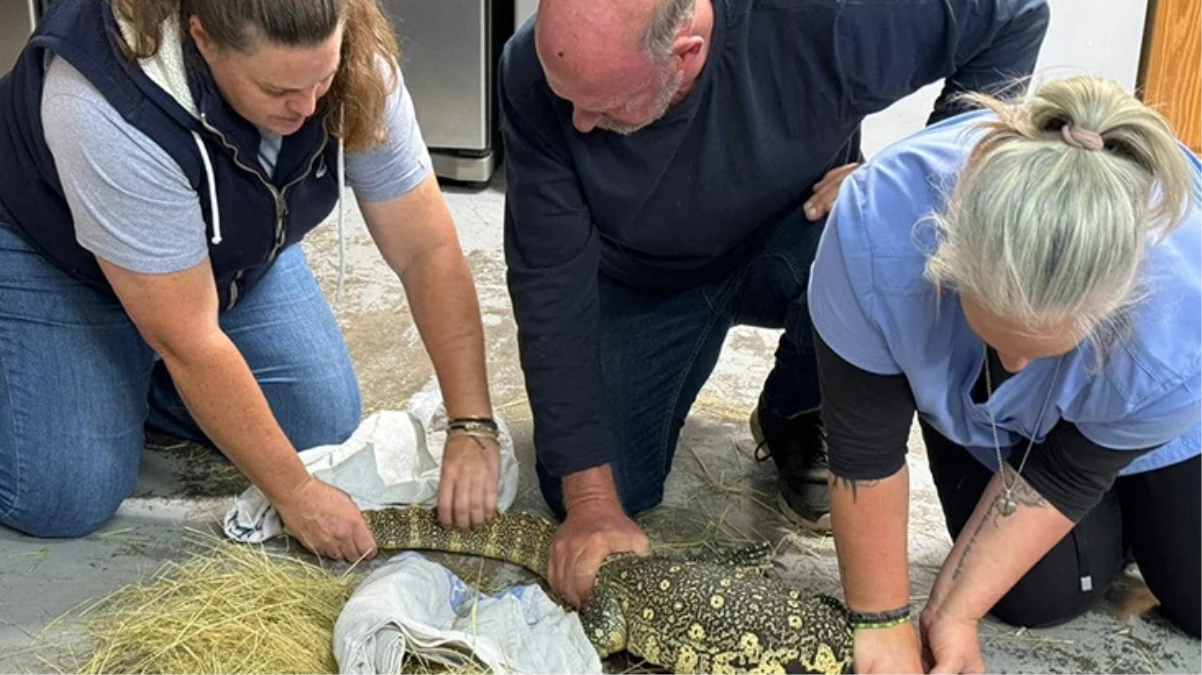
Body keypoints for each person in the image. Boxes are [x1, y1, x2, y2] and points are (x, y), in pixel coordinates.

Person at [498, 0, 1050, 606]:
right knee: (589, 487)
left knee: (885, 251)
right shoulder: (536, 72)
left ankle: (796, 409)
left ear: (687, 53)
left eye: (604, 106)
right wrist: (592, 501)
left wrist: (923, 181)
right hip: (644, 278)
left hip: (799, 236)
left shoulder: (831, 18)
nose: (578, 122)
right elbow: (550, 284)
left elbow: (1014, 13)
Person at [0, 0, 503, 561]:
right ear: (203, 40)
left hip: (223, 251)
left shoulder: (354, 55)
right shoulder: (102, 102)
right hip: (53, 252)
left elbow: (425, 248)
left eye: (323, 79)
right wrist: (296, 494)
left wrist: (472, 423)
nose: (309, 106)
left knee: (318, 426)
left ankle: (122, 374)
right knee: (66, 494)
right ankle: (80, 361)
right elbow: (189, 340)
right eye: (277, 91)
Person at [808, 74, 1202, 673]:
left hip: (1155, 395)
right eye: (998, 338)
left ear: (1117, 302)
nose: (1014, 366)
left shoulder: (1182, 317)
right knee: (1037, 595)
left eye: (1041, 348)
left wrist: (956, 610)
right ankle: (1109, 531)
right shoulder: (877, 227)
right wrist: (892, 622)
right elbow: (864, 449)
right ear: (948, 254)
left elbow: (1073, 470)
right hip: (1031, 390)